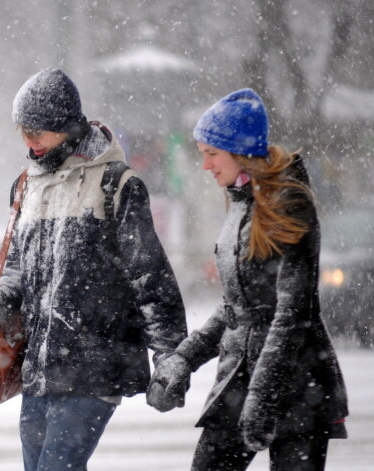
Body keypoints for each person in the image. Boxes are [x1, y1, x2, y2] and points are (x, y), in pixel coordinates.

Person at [0, 68, 187, 471]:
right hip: (39, 367)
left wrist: (170, 356)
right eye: (23, 131)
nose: (28, 141)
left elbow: (150, 278)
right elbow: (19, 264)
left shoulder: (115, 185)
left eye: (37, 132)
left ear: (67, 127)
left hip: (95, 365)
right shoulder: (27, 186)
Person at [146, 88, 349, 471]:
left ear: (240, 153)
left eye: (211, 153)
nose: (205, 165)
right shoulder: (238, 204)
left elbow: (292, 314)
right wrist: (183, 360)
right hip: (239, 382)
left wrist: (265, 396)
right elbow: (235, 311)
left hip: (297, 383)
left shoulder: (289, 204)